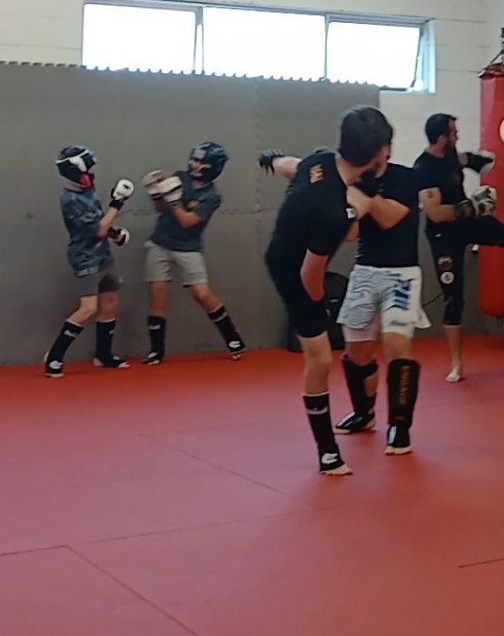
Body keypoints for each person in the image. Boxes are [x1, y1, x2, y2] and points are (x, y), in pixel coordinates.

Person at [260, 105, 390, 476]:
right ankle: (327, 452)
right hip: (291, 270)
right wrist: (318, 309)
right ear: (378, 152)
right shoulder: (332, 213)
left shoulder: (320, 161)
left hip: (301, 241)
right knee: (320, 360)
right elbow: (310, 272)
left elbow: (292, 166)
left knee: (352, 215)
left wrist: (271, 161)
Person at [414, 113, 504, 383]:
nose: (457, 135)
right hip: (444, 236)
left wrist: (484, 160)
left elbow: (465, 159)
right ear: (441, 138)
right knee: (453, 298)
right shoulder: (424, 169)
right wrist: (474, 206)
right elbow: (436, 214)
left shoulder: (451, 155)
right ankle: (456, 364)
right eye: (453, 132)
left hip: (467, 224)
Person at [334, 124, 427, 455]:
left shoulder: (406, 178)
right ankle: (364, 412)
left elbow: (389, 218)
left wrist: (367, 197)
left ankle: (400, 426)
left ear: (386, 149)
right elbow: (349, 235)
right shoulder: (354, 179)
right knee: (356, 351)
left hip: (401, 274)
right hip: (364, 272)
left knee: (396, 343)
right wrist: (349, 203)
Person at [141, 143, 245, 364]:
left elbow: (188, 222)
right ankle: (156, 351)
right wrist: (156, 193)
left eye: (199, 161)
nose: (193, 164)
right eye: (194, 159)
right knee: (157, 295)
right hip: (160, 243)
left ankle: (233, 338)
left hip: (188, 247)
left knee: (202, 293)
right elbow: (160, 209)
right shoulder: (180, 177)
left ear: (211, 166)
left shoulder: (212, 196)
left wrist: (174, 201)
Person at [44, 146, 133, 378]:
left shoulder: (87, 190)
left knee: (110, 301)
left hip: (103, 254)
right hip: (85, 257)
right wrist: (118, 202)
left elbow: (98, 222)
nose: (90, 174)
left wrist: (114, 234)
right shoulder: (70, 199)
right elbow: (97, 230)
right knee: (88, 309)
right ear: (76, 170)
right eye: (86, 169)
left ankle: (103, 355)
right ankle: (54, 356)